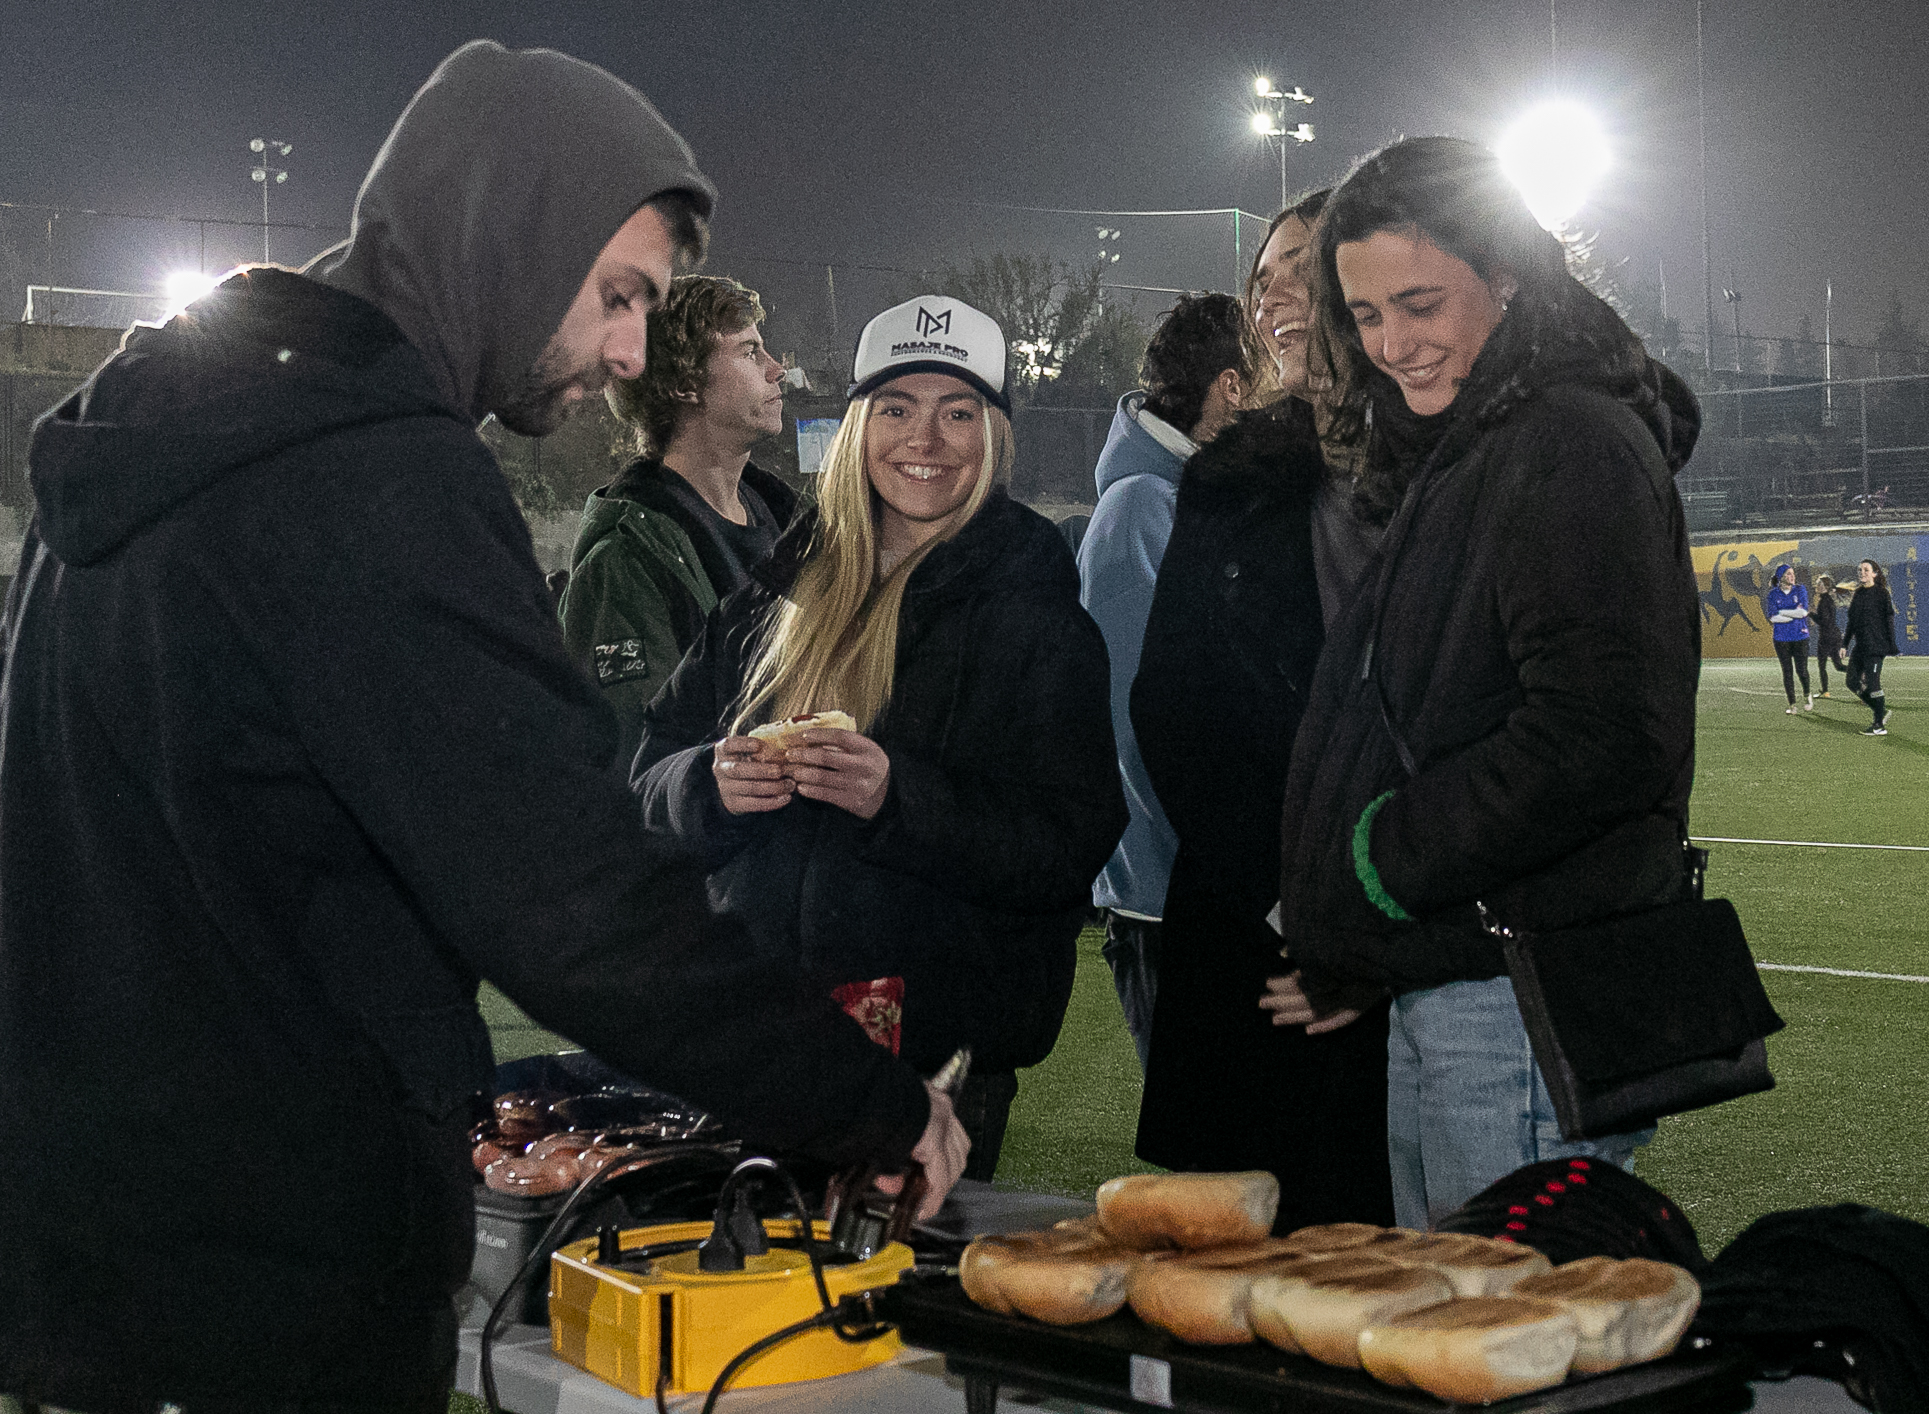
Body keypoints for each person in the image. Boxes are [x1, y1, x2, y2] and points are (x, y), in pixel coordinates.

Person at [0, 43, 965, 1412]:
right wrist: (863, 1100)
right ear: (504, 238)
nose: (631, 353)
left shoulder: (167, 435)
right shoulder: (369, 476)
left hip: (97, 1251)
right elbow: (573, 896)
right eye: (619, 295)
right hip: (266, 1273)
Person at [1274, 137, 1703, 1229]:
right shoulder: (1480, 442)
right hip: (1464, 977)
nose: (1393, 345)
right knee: (1450, 1312)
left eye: (1419, 304)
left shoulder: (1566, 442)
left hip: (1520, 996)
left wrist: (1381, 856)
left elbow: (1605, 731)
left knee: (1507, 1321)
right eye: (1366, 316)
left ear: (1507, 275)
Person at [632, 295, 1126, 1183]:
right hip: (759, 1031)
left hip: (929, 1060)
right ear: (858, 425)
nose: (924, 440)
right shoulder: (772, 594)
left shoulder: (1036, 619)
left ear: (994, 434)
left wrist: (898, 799)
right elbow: (642, 777)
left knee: (885, 1273)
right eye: (896, 408)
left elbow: (1067, 845)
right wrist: (705, 784)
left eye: (958, 412)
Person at [1128, 190, 1397, 1232]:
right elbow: (1174, 713)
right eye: (1262, 276)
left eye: (1302, 264)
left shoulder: (1447, 478)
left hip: (1411, 955)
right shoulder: (1228, 481)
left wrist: (1383, 921)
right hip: (1260, 953)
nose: (1273, 293)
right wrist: (1299, 910)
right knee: (1255, 1274)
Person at [1076, 292, 1255, 1068]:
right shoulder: (1140, 507)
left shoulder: (1198, 498)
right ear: (1232, 387)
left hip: (1212, 893)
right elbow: (1135, 724)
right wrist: (1222, 874)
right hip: (1176, 905)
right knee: (1214, 1137)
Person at [561, 274, 800, 765]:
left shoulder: (788, 520)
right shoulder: (624, 561)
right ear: (684, 384)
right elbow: (637, 764)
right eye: (749, 352)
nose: (777, 369)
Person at [1844, 558, 1900, 733]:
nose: (1862, 573)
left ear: (1875, 574)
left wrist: (1892, 645)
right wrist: (1844, 644)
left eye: (1866, 570)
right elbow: (1851, 622)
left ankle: (1878, 725)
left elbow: (1889, 620)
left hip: (1876, 647)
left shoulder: (1882, 593)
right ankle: (1880, 711)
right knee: (1851, 682)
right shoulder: (1858, 594)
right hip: (1860, 647)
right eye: (1860, 570)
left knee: (1873, 685)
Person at [1764, 563, 1814, 713]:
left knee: (1802, 670)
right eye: (1788, 574)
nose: (1792, 576)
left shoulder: (1800, 590)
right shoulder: (1773, 594)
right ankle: (1792, 704)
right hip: (1781, 639)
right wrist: (1792, 613)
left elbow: (1803, 613)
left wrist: (1782, 612)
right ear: (1781, 577)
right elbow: (1773, 618)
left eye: (1793, 573)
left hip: (1800, 636)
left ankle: (1807, 695)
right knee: (1787, 672)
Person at [1811, 572, 1845, 697]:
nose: (1816, 586)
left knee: (1822, 665)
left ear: (1825, 587)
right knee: (1838, 666)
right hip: (1834, 636)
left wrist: (1811, 613)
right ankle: (1860, 673)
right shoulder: (1828, 600)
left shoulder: (1824, 602)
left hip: (1827, 637)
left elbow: (1823, 621)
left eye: (1819, 584)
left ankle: (1825, 691)